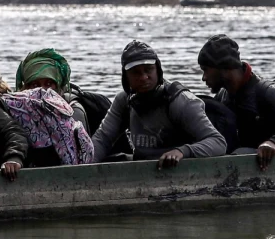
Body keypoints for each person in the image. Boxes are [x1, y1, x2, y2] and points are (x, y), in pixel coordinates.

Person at [90, 40, 227, 168]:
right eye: (135, 72)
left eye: (148, 69)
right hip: (142, 170)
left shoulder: (180, 101)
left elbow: (218, 142)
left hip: (178, 171)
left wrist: (183, 151)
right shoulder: (124, 101)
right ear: (126, 78)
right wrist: (85, 165)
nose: (143, 77)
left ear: (158, 70)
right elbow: (103, 139)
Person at [199, 34, 275, 171]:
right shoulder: (223, 96)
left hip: (273, 167)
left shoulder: (273, 94)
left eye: (206, 70)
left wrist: (274, 143)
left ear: (224, 68)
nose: (203, 78)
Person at [14, 48, 90, 132]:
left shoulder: (74, 111)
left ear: (58, 85)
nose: (42, 90)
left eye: (48, 84)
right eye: (35, 85)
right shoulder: (18, 110)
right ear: (26, 88)